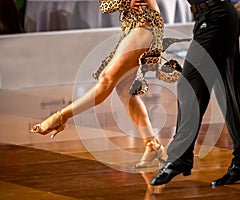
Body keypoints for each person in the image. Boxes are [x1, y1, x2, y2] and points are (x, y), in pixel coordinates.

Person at [31, 0, 174, 169]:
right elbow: (106, 6)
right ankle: (152, 145)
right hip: (133, 26)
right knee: (124, 90)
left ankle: (60, 117)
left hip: (146, 22)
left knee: (107, 79)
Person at [131, 0, 240, 186]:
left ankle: (179, 157)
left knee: (189, 85)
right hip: (209, 18)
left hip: (217, 18)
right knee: (228, 92)